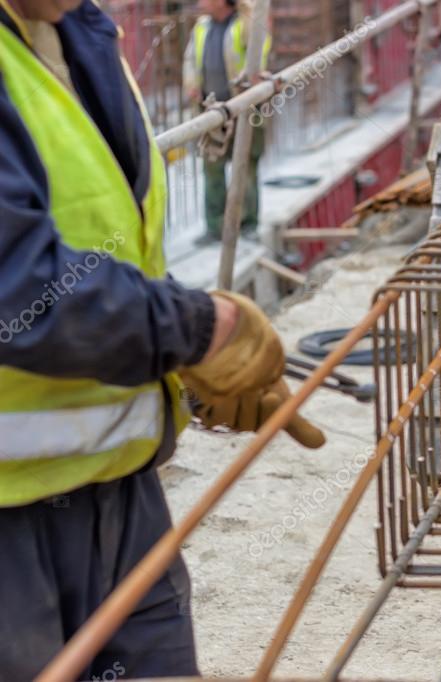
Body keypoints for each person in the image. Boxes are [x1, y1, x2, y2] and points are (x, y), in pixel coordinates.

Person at [0, 0, 322, 678]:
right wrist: (200, 329)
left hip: (120, 495)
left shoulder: (80, 33)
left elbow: (105, 244)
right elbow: (16, 288)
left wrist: (172, 367)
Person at [183, 0, 270, 245]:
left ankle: (248, 224)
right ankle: (215, 227)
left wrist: (248, 9)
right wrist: (191, 84)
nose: (200, 2)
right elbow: (190, 59)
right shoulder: (202, 27)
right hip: (211, 111)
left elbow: (260, 45)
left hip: (243, 107)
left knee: (246, 168)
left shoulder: (244, 25)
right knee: (212, 169)